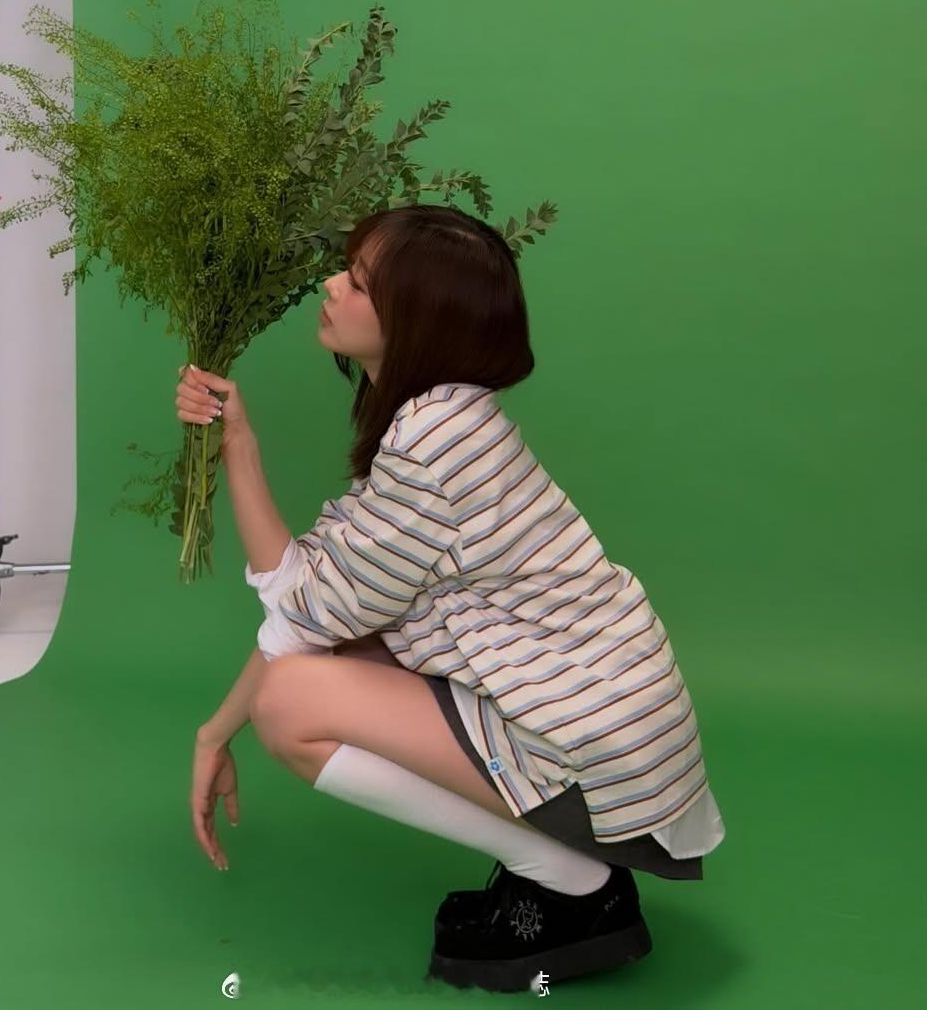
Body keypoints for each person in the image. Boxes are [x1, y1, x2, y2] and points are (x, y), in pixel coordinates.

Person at [177, 204, 725, 993]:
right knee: (334, 656)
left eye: (358, 282)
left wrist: (214, 734)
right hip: (605, 734)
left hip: (594, 755)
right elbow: (318, 596)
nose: (330, 286)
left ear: (416, 321)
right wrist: (239, 441)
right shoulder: (441, 417)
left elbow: (301, 617)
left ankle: (574, 882)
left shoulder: (431, 445)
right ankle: (565, 873)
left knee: (288, 705)